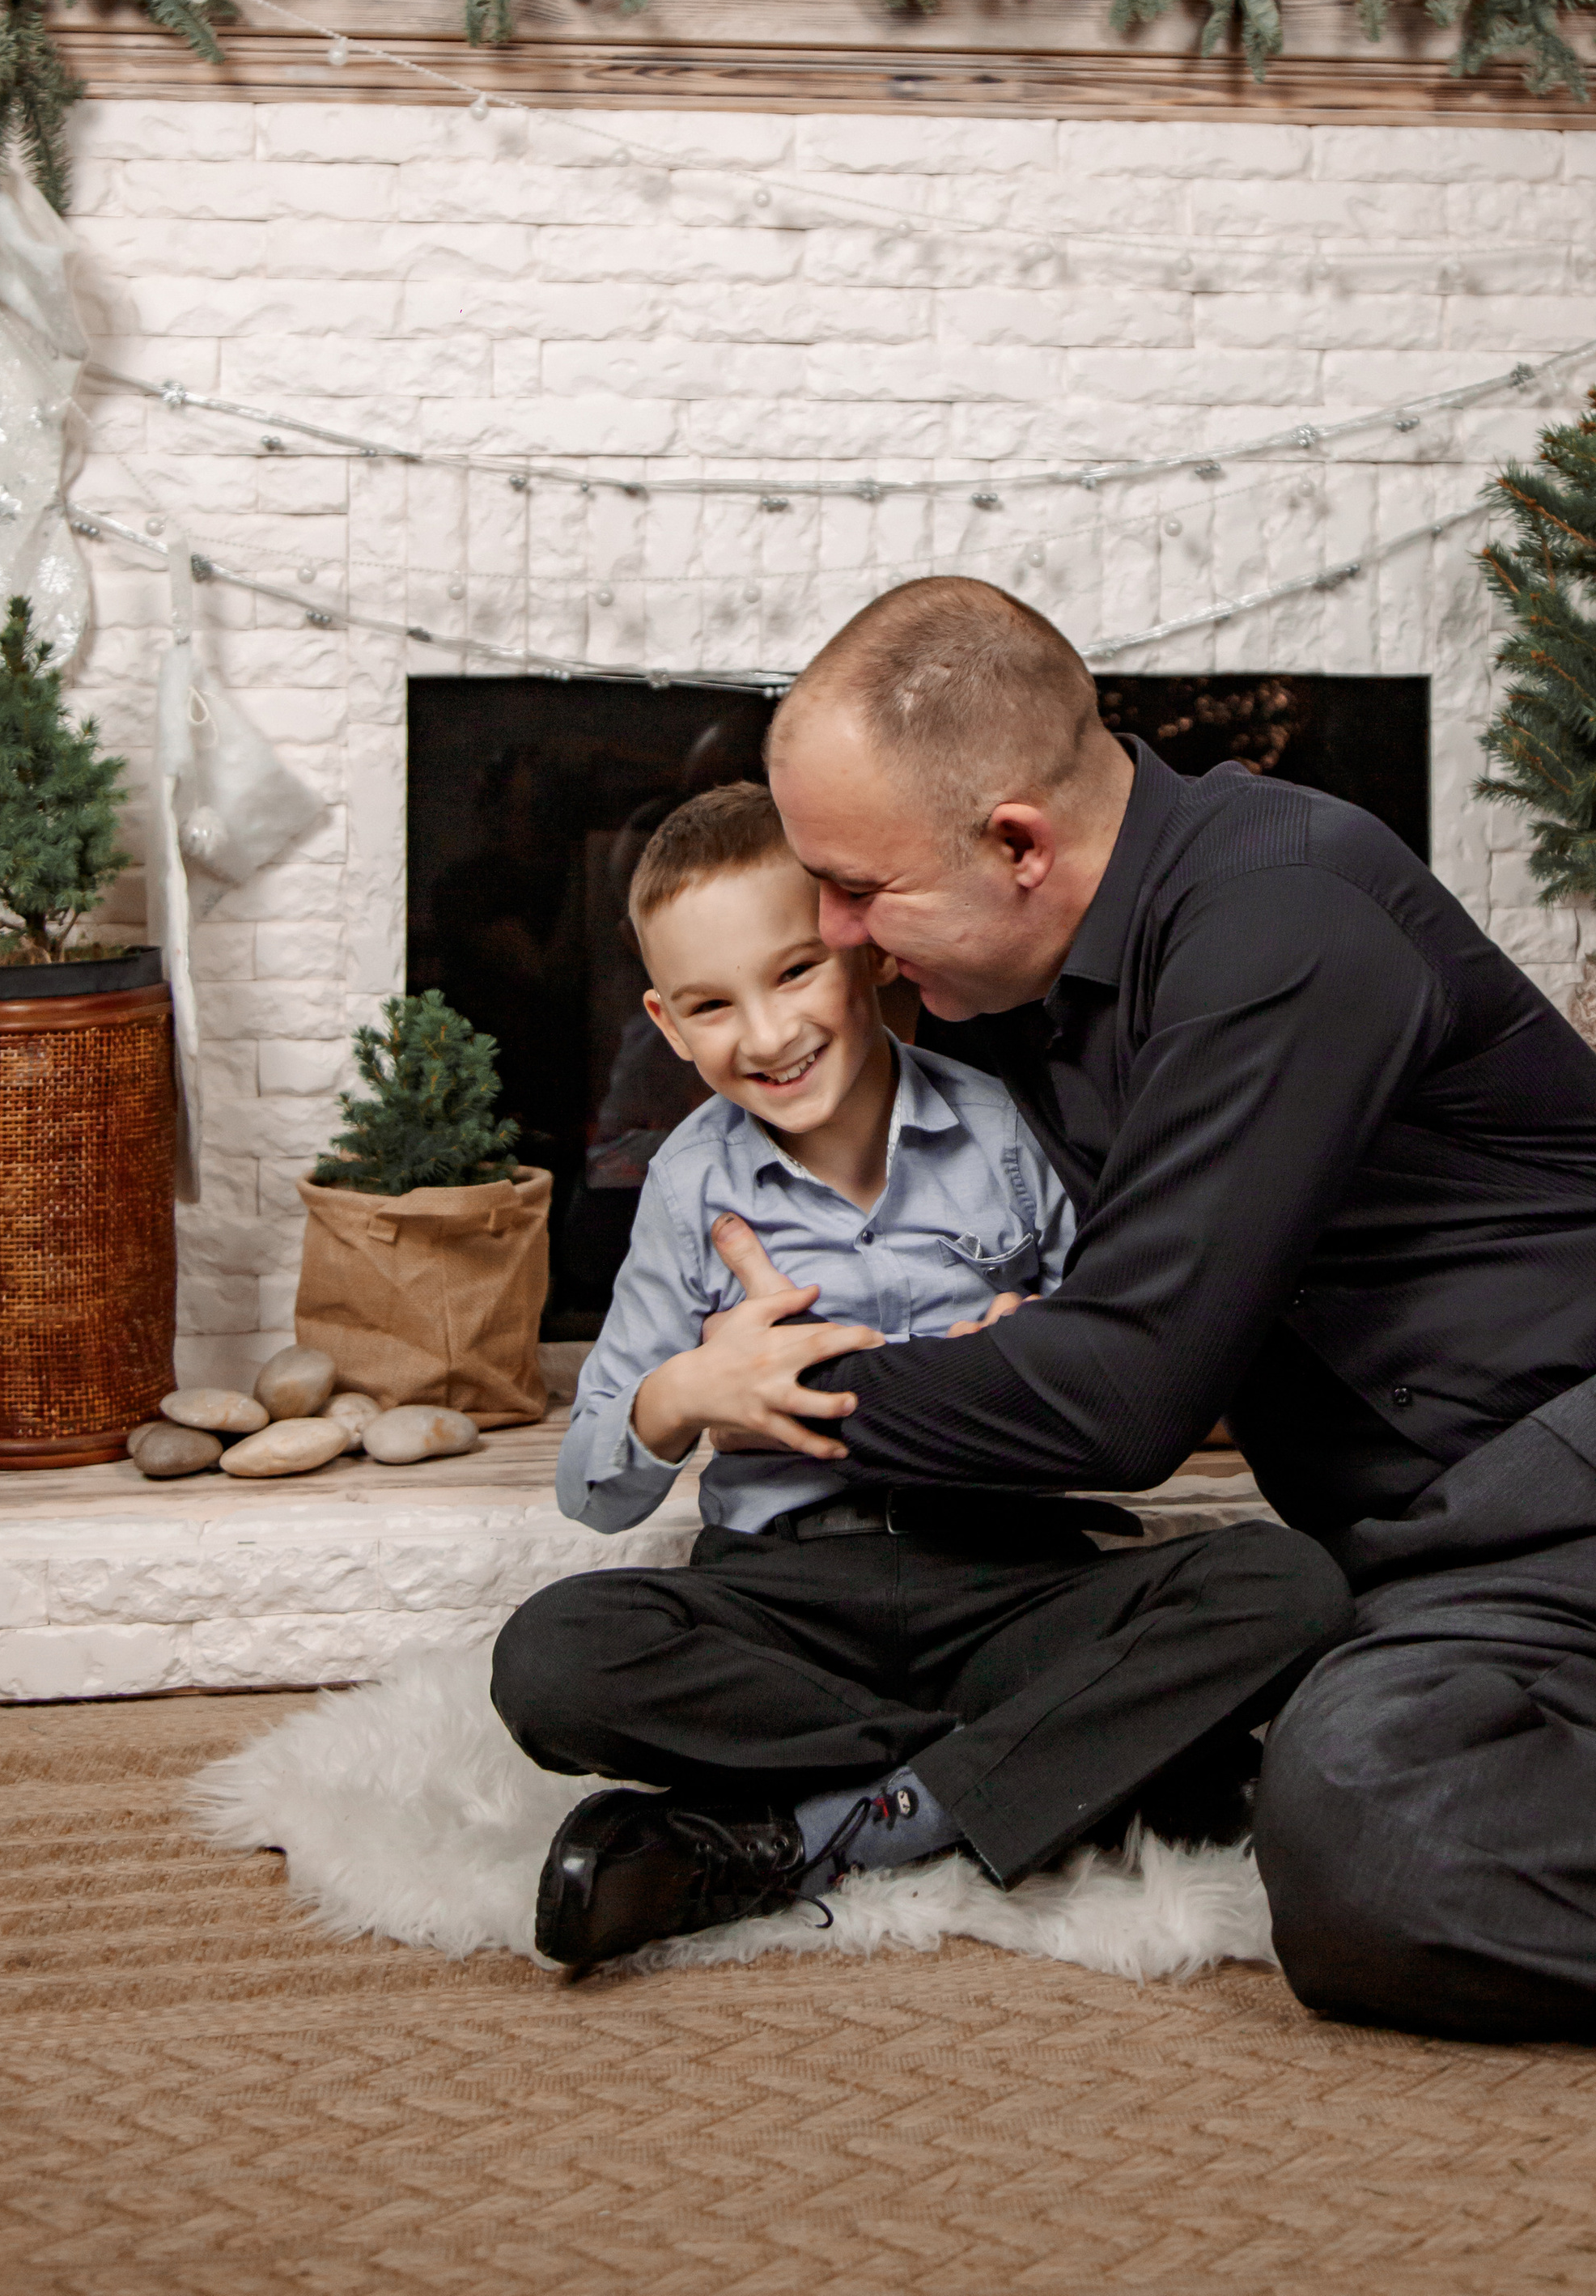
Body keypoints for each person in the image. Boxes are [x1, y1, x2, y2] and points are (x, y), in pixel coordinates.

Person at [733, 575, 1596, 2075]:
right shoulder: (1036, 1019)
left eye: (858, 887)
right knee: (1357, 1822)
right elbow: (1144, 1323)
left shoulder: (1279, 902)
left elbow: (1126, 1395)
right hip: (1482, 1580)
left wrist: (778, 1387)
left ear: (1018, 843)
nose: (838, 936)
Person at [490, 780, 1352, 1974]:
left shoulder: (1006, 1134)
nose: (767, 1033)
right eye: (710, 1005)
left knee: (1287, 1581)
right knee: (552, 1657)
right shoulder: (689, 1189)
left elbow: (1159, 1374)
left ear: (866, 952)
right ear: (668, 1024)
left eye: (793, 972)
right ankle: (1038, 1773)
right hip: (792, 1607)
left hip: (1005, 1581)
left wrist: (1041, 1342)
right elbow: (596, 1491)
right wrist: (690, 1390)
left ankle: (822, 1824)